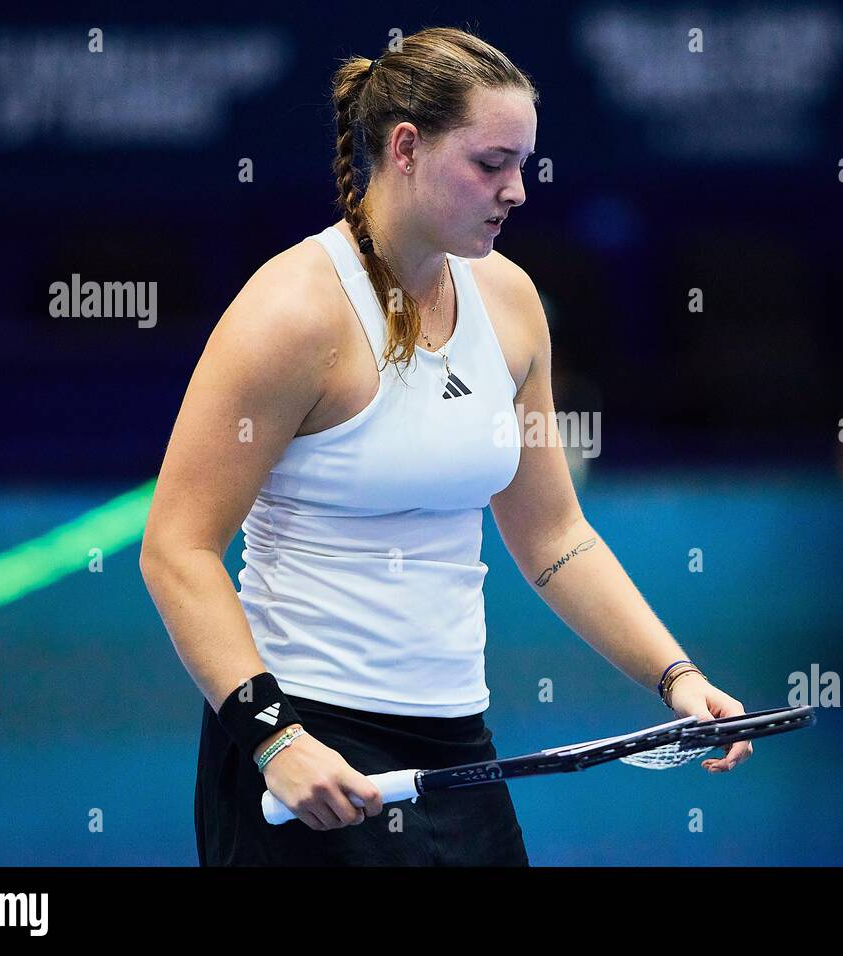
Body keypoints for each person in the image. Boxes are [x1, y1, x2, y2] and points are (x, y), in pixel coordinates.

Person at [140, 26, 752, 867]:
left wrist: (676, 677)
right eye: (491, 163)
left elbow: (554, 537)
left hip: (458, 744)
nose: (518, 190)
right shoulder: (289, 314)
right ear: (405, 149)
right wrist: (276, 741)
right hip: (306, 746)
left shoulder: (511, 303)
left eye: (525, 165)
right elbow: (177, 547)